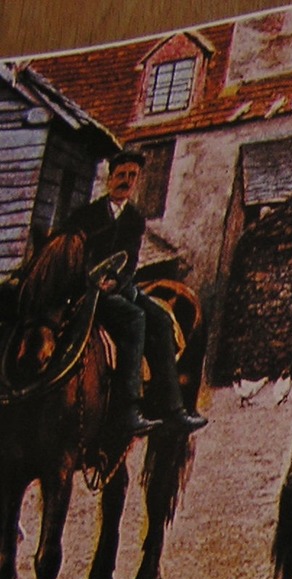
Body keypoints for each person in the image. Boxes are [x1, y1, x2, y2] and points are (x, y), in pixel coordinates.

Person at [56, 150, 206, 437]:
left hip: (119, 286)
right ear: (109, 179)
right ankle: (128, 409)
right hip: (86, 292)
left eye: (132, 176)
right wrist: (92, 281)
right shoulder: (86, 216)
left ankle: (173, 410)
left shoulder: (135, 218)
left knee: (161, 319)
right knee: (135, 318)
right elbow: (71, 254)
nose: (126, 181)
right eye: (121, 175)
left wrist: (119, 282)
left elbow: (133, 260)